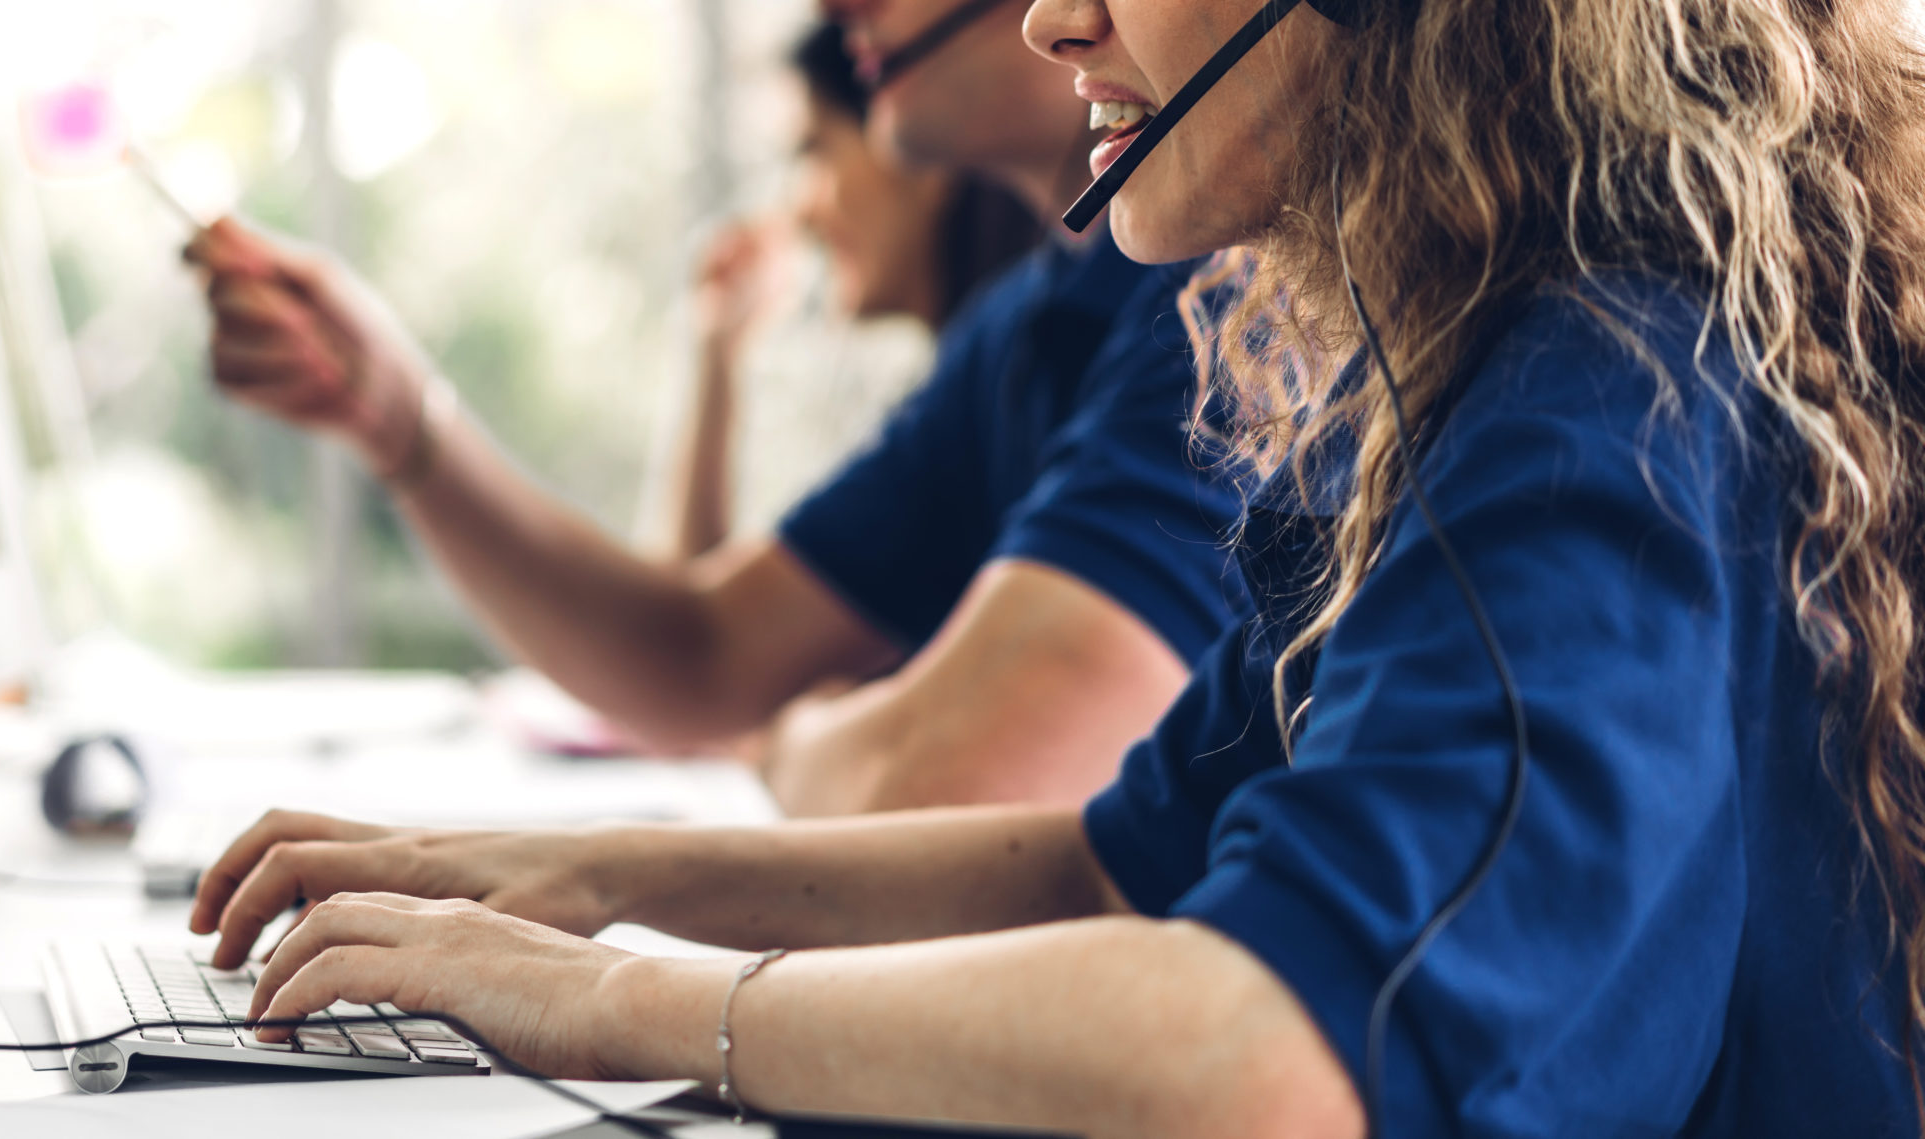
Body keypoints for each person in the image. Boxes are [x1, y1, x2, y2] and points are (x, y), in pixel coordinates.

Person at [177, 0, 1925, 1133]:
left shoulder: (1603, 398)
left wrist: (628, 997)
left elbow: (1270, 1054)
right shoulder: (1450, 373)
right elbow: (1114, 867)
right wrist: (549, 878)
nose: (1050, 16)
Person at [190, 0, 1241, 817]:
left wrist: (776, 737)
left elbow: (956, 780)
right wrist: (394, 415)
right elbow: (699, 652)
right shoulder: (1021, 328)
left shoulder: (1220, 309)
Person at [647, 22, 1040, 561]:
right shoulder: (962, 402)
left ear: (919, 155)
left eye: (816, 150)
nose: (799, 211)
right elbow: (715, 620)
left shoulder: (1009, 404)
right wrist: (718, 356)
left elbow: (705, 636)